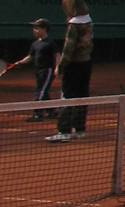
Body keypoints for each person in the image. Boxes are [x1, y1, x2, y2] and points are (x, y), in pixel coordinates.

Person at [46, 0, 91, 143]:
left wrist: (60, 66)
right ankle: (79, 129)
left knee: (67, 96)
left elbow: (69, 48)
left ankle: (64, 131)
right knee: (82, 96)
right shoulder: (88, 21)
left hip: (74, 65)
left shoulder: (74, 24)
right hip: (86, 63)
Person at [13, 19, 58, 122]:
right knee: (44, 91)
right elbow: (30, 56)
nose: (34, 30)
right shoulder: (35, 44)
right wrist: (20, 62)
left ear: (44, 29)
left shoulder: (50, 43)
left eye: (37, 28)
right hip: (38, 70)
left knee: (40, 91)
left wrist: (57, 68)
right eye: (34, 28)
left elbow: (57, 55)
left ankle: (37, 114)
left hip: (47, 70)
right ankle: (52, 112)